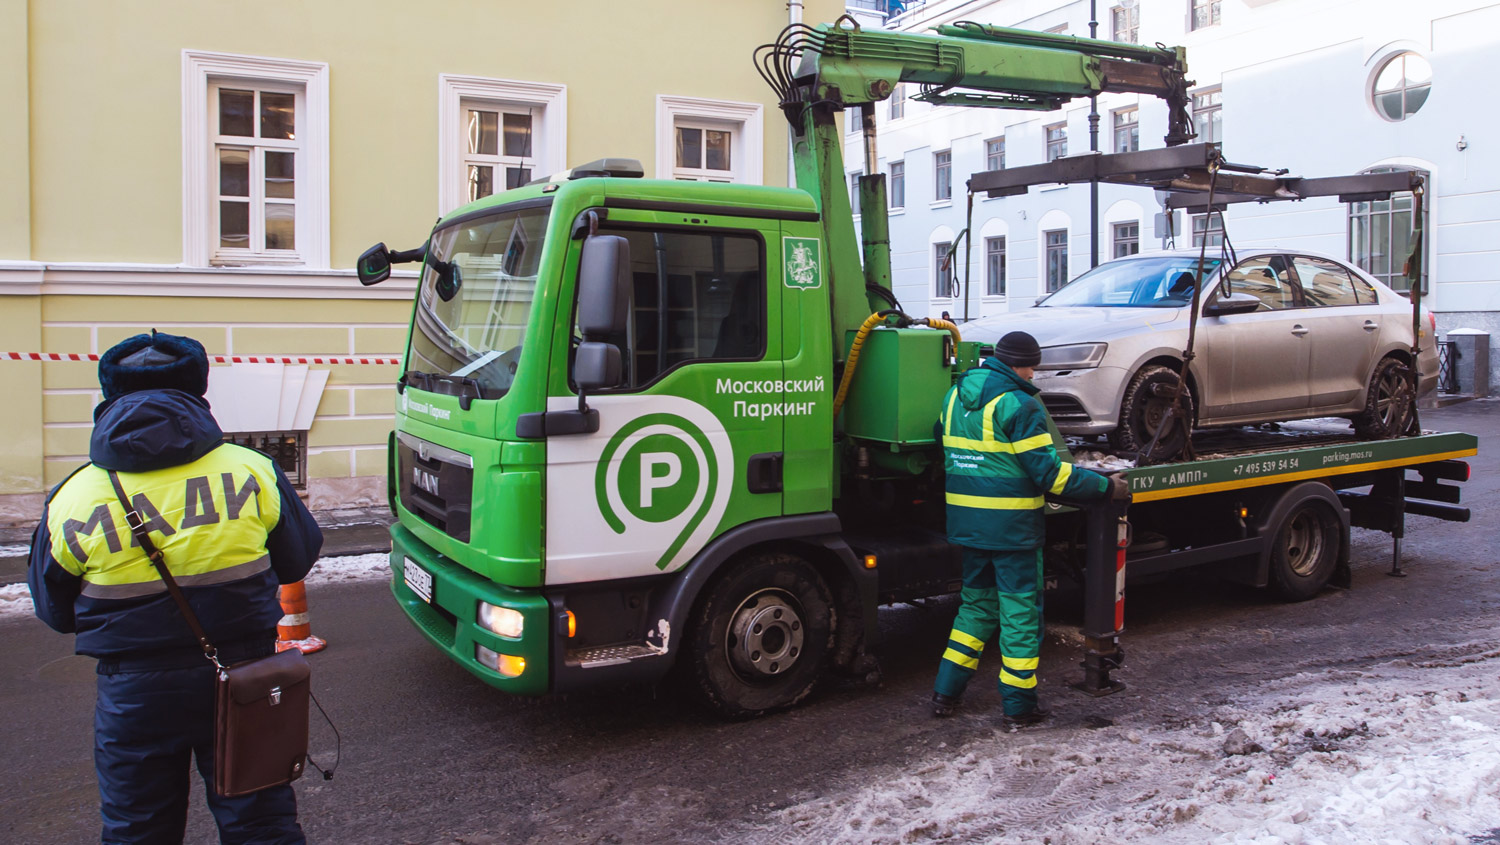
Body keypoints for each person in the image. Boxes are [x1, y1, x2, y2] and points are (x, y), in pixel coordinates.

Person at [28, 331, 323, 843]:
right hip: (244, 677)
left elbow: (55, 611)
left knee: (137, 829)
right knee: (261, 826)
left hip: (133, 693)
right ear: (198, 390)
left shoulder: (73, 497)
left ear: (108, 396)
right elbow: (296, 560)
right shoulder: (252, 470)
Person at [930, 330, 1130, 728]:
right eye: (1033, 367)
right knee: (1020, 618)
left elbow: (943, 440)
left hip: (970, 525)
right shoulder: (1020, 405)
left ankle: (945, 694)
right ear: (1023, 365)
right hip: (1012, 532)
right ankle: (1019, 708)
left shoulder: (955, 397)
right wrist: (1105, 487)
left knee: (975, 609)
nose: (1035, 375)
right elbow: (1050, 477)